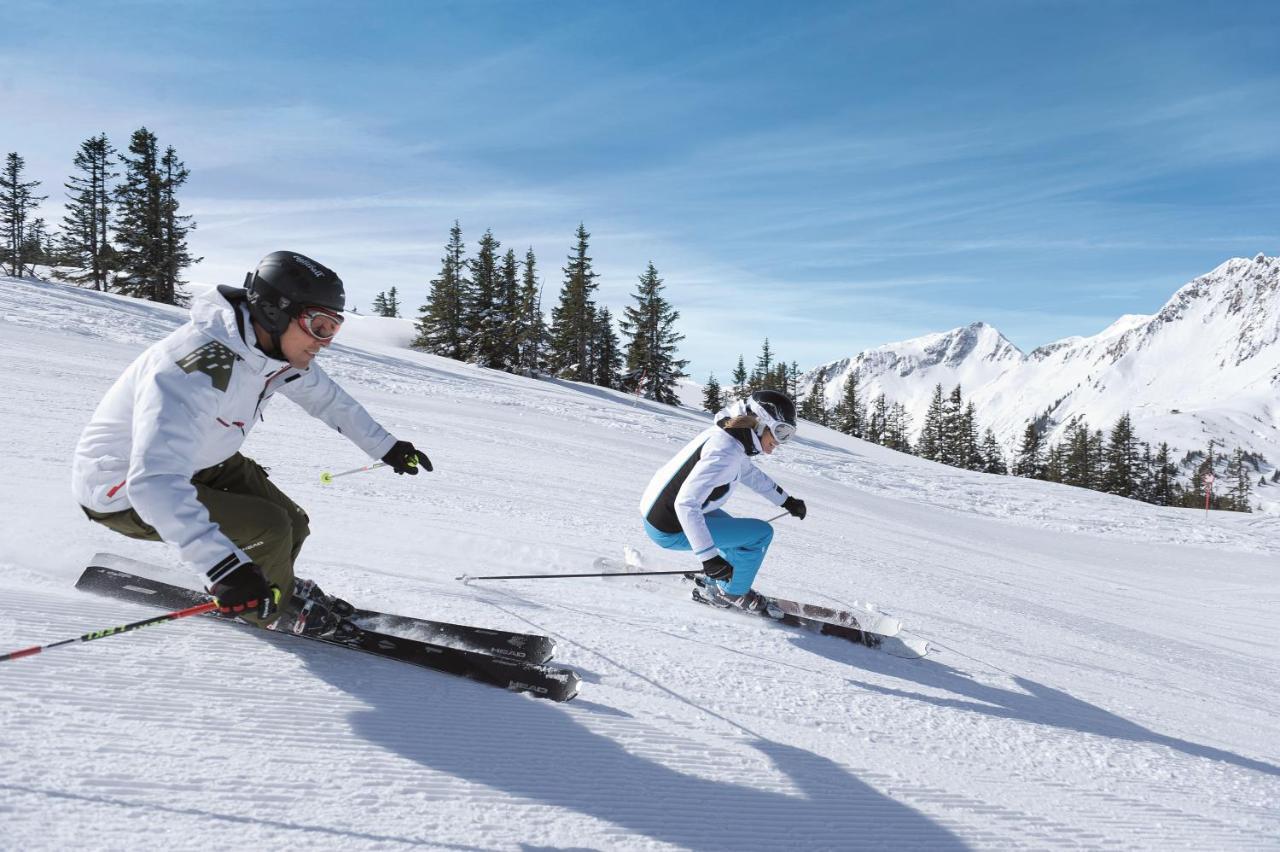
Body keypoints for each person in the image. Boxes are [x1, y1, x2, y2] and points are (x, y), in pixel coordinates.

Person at [71, 251, 431, 635]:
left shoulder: (269, 353)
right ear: (276, 312)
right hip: (121, 485)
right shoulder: (195, 368)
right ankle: (267, 611)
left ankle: (276, 589)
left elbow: (328, 400)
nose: (323, 343)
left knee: (294, 522)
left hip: (199, 461)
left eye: (333, 328)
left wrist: (387, 448)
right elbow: (154, 481)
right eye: (319, 326)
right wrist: (221, 568)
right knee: (271, 527)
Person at [639, 390, 807, 616]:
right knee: (760, 535)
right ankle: (731, 593)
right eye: (779, 431)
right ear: (759, 423)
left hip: (658, 510)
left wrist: (785, 500)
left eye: (787, 434)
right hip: (668, 526)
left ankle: (720, 581)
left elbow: (746, 471)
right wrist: (709, 558)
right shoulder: (725, 451)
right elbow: (686, 505)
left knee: (740, 535)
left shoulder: (730, 440)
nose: (780, 442)